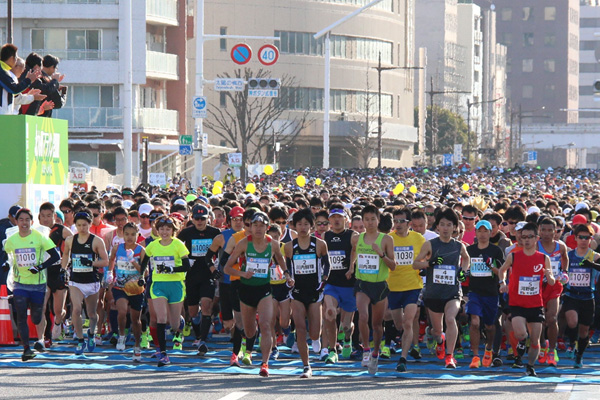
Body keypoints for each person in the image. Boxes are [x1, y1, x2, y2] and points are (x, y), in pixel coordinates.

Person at [224, 211, 293, 377]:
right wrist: (242, 274)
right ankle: (249, 348)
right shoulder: (243, 243)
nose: (258, 229)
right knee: (249, 331)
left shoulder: (273, 244)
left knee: (266, 325)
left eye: (262, 226)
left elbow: (281, 261)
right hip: (246, 290)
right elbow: (227, 267)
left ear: (267, 228)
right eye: (255, 225)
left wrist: (287, 275)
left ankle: (265, 364)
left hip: (264, 290)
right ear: (250, 227)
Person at [414, 207, 470, 369]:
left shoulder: (459, 246)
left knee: (451, 319)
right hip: (433, 293)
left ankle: (450, 356)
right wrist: (429, 263)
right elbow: (415, 264)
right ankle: (440, 341)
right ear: (437, 227)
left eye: (449, 225)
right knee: (437, 331)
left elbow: (466, 259)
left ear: (455, 228)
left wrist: (463, 272)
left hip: (452, 292)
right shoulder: (430, 244)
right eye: (442, 224)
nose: (445, 228)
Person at [498, 222, 555, 377]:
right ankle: (522, 344)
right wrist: (502, 282)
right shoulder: (513, 256)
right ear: (520, 239)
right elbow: (502, 270)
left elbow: (550, 280)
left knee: (535, 341)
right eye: (524, 237)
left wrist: (550, 276)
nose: (527, 240)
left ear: (536, 238)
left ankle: (530, 366)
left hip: (536, 304)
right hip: (517, 303)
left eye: (530, 237)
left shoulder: (543, 258)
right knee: (521, 333)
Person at [4, 208, 59, 361]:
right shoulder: (12, 240)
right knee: (21, 315)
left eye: (27, 220)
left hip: (38, 284)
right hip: (20, 284)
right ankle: (26, 348)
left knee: (36, 318)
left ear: (32, 222)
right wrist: (5, 264)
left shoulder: (40, 237)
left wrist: (40, 267)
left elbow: (56, 256)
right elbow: (7, 255)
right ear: (16, 222)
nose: (24, 223)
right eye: (21, 220)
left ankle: (39, 336)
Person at [349, 205, 396, 374]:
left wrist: (381, 254)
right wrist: (350, 267)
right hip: (362, 283)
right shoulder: (357, 238)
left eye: (373, 219)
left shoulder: (386, 240)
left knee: (377, 324)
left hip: (380, 285)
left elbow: (393, 266)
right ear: (362, 220)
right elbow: (354, 252)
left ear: (378, 220)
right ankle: (366, 350)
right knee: (362, 315)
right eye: (366, 219)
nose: (369, 223)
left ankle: (376, 352)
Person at [285, 208, 329, 378]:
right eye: (299, 224)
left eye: (306, 224)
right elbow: (287, 267)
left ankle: (317, 340)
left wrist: (324, 280)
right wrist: (288, 277)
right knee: (301, 330)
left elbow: (327, 265)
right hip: (296, 293)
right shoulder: (289, 246)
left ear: (312, 226)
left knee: (314, 332)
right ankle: (306, 365)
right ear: (295, 226)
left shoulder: (319, 244)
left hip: (315, 292)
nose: (303, 227)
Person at [142, 216, 190, 367]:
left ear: (173, 231)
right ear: (157, 229)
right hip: (158, 285)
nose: (164, 232)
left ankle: (180, 325)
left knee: (173, 324)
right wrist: (141, 277)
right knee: (160, 318)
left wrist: (171, 269)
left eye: (168, 229)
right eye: (161, 229)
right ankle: (163, 354)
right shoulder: (153, 245)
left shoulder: (178, 245)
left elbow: (187, 266)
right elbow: (144, 262)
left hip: (176, 285)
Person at [60, 210, 109, 355]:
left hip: (91, 281)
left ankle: (92, 335)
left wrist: (91, 263)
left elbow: (105, 261)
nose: (82, 228)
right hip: (76, 281)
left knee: (92, 314)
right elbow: (66, 255)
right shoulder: (70, 240)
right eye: (79, 225)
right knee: (76, 310)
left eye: (85, 225)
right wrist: (63, 269)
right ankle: (80, 340)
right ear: (75, 225)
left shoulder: (96, 241)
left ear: (89, 224)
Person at [177, 204, 221, 354]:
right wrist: (183, 262)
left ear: (208, 218)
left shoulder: (215, 232)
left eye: (203, 218)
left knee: (207, 305)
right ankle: (198, 334)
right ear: (192, 219)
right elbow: (175, 249)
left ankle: (203, 340)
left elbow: (223, 252)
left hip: (208, 274)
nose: (200, 221)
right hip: (191, 275)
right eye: (197, 218)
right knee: (193, 311)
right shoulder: (186, 233)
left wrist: (217, 266)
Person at [206, 206, 246, 366]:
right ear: (229, 221)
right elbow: (208, 257)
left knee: (240, 319)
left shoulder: (249, 236)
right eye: (235, 219)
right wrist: (213, 270)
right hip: (225, 282)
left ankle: (238, 350)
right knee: (229, 323)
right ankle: (239, 339)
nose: (238, 222)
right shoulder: (222, 237)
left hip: (243, 282)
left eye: (241, 219)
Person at [387, 207, 425, 372]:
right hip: (393, 287)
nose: (398, 224)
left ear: (409, 223)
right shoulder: (388, 239)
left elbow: (429, 257)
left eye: (401, 221)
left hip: (413, 286)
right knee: (399, 324)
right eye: (395, 221)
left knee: (408, 321)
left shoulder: (419, 239)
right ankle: (408, 343)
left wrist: (426, 265)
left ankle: (402, 358)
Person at [465, 220, 504, 368]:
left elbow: (501, 272)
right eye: (479, 231)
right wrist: (464, 273)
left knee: (489, 326)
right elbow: (465, 269)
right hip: (474, 292)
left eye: (485, 231)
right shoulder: (470, 250)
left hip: (491, 293)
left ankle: (488, 350)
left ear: (490, 233)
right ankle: (475, 356)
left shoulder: (496, 251)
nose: (482, 234)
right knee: (474, 322)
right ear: (475, 233)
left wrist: (491, 265)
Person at [323, 205, 357, 362]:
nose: (336, 220)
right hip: (331, 284)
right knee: (330, 313)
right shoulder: (325, 236)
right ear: (329, 220)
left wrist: (351, 266)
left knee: (346, 325)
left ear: (346, 220)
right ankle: (332, 349)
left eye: (340, 217)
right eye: (333, 217)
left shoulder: (352, 235)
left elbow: (356, 250)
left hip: (349, 284)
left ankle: (348, 340)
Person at [563, 224, 600, 368]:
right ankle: (572, 343)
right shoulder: (569, 255)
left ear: (591, 239)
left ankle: (579, 355)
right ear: (576, 238)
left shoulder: (595, 256)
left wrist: (591, 264)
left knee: (584, 331)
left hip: (588, 297)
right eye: (581, 237)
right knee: (572, 322)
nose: (584, 240)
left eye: (587, 237)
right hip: (572, 295)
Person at [108, 222, 146, 361]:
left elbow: (144, 271)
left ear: (138, 235)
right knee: (122, 311)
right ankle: (122, 335)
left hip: (136, 288)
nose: (129, 237)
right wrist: (109, 274)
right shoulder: (117, 248)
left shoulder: (141, 250)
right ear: (122, 235)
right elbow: (111, 260)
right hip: (120, 286)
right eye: (127, 234)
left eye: (133, 234)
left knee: (136, 320)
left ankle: (137, 345)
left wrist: (133, 261)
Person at [38, 202, 72, 344]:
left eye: (49, 216)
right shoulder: (36, 232)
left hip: (59, 272)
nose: (46, 219)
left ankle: (59, 323)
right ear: (39, 217)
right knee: (42, 307)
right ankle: (45, 337)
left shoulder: (62, 230)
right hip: (44, 273)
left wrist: (66, 267)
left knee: (58, 310)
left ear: (54, 216)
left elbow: (73, 247)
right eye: (43, 216)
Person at [536, 217, 568, 366]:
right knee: (540, 319)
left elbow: (565, 258)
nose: (547, 233)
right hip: (538, 286)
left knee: (552, 318)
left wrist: (564, 272)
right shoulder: (536, 246)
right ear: (539, 231)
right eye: (544, 230)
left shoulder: (560, 246)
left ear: (556, 232)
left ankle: (552, 350)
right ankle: (543, 345)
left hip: (554, 286)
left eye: (550, 230)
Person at [0, 44, 40, 115]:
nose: (16, 60)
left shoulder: (5, 71)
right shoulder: (2, 71)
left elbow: (14, 93)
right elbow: (14, 89)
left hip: (5, 116)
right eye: (16, 57)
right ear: (12, 58)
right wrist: (28, 80)